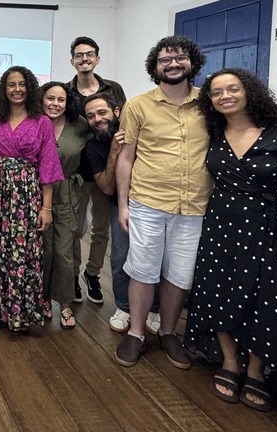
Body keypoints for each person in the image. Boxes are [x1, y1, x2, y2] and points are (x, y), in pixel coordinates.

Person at [114, 35, 277, 369]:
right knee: (143, 271)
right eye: (165, 59)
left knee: (180, 275)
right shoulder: (137, 105)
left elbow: (248, 119)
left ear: (192, 63)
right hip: (147, 201)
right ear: (155, 67)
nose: (173, 63)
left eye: (179, 58)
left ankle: (169, 333)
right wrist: (122, 204)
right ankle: (135, 333)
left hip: (196, 207)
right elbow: (126, 158)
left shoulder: (209, 104)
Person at [184, 68, 277, 411]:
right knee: (219, 290)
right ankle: (230, 361)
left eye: (233, 88)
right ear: (210, 101)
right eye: (216, 92)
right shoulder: (212, 134)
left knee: (266, 298)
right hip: (221, 225)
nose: (225, 96)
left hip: (272, 230)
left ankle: (256, 370)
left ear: (250, 92)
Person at [0, 66, 63, 343]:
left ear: (30, 88)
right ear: (4, 89)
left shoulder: (42, 122)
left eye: (22, 84)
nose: (17, 89)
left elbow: (48, 167)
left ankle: (20, 312)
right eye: (11, 84)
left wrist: (46, 208)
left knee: (23, 255)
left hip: (27, 198)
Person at [82, 93, 160, 334]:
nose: (97, 119)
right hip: (121, 204)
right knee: (119, 258)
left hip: (155, 204)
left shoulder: (141, 130)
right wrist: (114, 152)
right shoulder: (94, 148)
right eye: (91, 116)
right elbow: (106, 187)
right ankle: (124, 307)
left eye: (102, 112)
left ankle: (154, 309)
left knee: (156, 258)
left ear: (116, 112)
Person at [67, 36, 127, 304]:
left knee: (101, 230)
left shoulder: (113, 88)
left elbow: (124, 120)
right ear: (72, 61)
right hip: (77, 173)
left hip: (107, 171)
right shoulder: (66, 93)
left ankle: (92, 274)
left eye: (89, 54)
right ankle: (72, 276)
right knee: (75, 230)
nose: (84, 59)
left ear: (97, 58)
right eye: (79, 55)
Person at [39, 81, 91, 330]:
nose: (55, 104)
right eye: (50, 98)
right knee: (43, 250)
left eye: (60, 100)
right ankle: (44, 298)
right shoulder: (33, 122)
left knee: (64, 250)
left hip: (69, 193)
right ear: (41, 99)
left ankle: (66, 303)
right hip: (37, 194)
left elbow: (101, 138)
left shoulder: (79, 125)